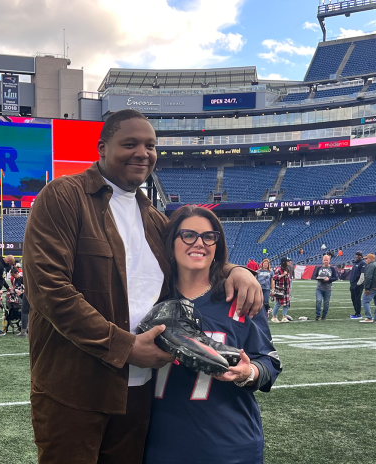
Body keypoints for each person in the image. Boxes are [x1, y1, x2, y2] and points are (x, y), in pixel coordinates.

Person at [22, 109, 263, 464]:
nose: (143, 153)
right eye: (130, 143)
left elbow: (191, 249)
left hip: (138, 393)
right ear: (103, 148)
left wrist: (234, 269)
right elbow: (48, 288)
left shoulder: (153, 217)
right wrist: (126, 347)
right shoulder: (63, 196)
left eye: (150, 145)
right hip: (74, 388)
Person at [144, 205, 282, 464]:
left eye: (209, 237)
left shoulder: (239, 299)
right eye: (188, 235)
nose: (199, 243)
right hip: (159, 446)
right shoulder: (149, 300)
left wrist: (247, 373)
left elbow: (270, 363)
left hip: (229, 447)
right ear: (171, 241)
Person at [361, 253, 376, 323]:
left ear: (370, 259)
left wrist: (367, 288)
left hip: (373, 286)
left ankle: (369, 317)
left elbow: (368, 277)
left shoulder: (370, 265)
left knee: (365, 301)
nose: (366, 260)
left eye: (367, 258)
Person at [313, 254, 339, 321]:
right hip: (319, 288)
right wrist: (319, 278)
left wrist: (329, 279)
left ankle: (324, 315)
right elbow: (314, 276)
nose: (325, 261)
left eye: (327, 260)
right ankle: (318, 315)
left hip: (328, 288)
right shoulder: (319, 268)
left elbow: (335, 277)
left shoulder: (332, 268)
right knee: (318, 301)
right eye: (324, 260)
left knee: (326, 303)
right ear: (322, 261)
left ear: (329, 260)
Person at [270, 257, 293, 323]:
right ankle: (274, 316)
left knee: (287, 304)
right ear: (284, 262)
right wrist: (282, 275)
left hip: (286, 289)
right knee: (278, 303)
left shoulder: (287, 269)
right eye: (288, 261)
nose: (289, 262)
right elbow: (274, 277)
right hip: (280, 289)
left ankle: (284, 317)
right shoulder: (279, 269)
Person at [348, 251, 367, 319]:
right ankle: (356, 312)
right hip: (353, 283)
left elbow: (363, 275)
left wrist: (358, 283)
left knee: (357, 299)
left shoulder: (363, 263)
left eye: (358, 255)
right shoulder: (355, 263)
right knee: (353, 298)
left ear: (361, 256)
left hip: (358, 284)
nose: (357, 256)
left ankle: (358, 313)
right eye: (356, 255)